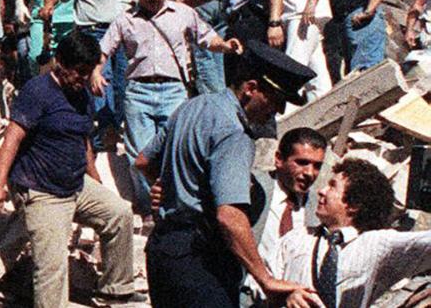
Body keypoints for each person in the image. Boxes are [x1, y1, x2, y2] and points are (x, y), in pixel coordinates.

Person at [136, 40, 318, 308]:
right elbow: (229, 216)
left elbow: (143, 161)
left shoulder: (193, 106)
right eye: (275, 100)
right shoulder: (235, 134)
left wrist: (170, 187)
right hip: (200, 259)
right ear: (251, 89)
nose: (278, 111)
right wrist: (266, 280)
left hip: (163, 249)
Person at [0, 33, 139, 308]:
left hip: (75, 183)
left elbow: (83, 140)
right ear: (60, 63)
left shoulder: (82, 94)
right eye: (78, 71)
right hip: (42, 190)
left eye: (88, 71)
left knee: (119, 214)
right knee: (52, 269)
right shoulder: (37, 92)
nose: (83, 78)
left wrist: (95, 179)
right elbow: (12, 139)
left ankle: (115, 290)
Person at [95, 0, 239, 215]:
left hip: (174, 91)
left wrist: (225, 46)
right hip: (138, 92)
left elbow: (206, 38)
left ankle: (173, 207)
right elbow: (104, 49)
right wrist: (96, 71)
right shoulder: (125, 20)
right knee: (139, 154)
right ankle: (150, 209)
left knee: (175, 150)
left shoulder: (183, 13)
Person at [273, 157, 431, 308]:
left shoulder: (376, 245)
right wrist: (286, 295)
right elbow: (265, 285)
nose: (321, 191)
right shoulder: (295, 239)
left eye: (332, 186)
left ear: (353, 204)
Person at [42, 0, 135, 147]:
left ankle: (115, 127)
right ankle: (105, 131)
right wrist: (48, 5)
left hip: (126, 32)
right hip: (95, 32)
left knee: (124, 82)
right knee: (101, 80)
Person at [248, 126, 326, 302]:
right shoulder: (254, 190)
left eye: (317, 166)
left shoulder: (317, 207)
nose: (310, 173)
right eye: (302, 162)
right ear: (279, 159)